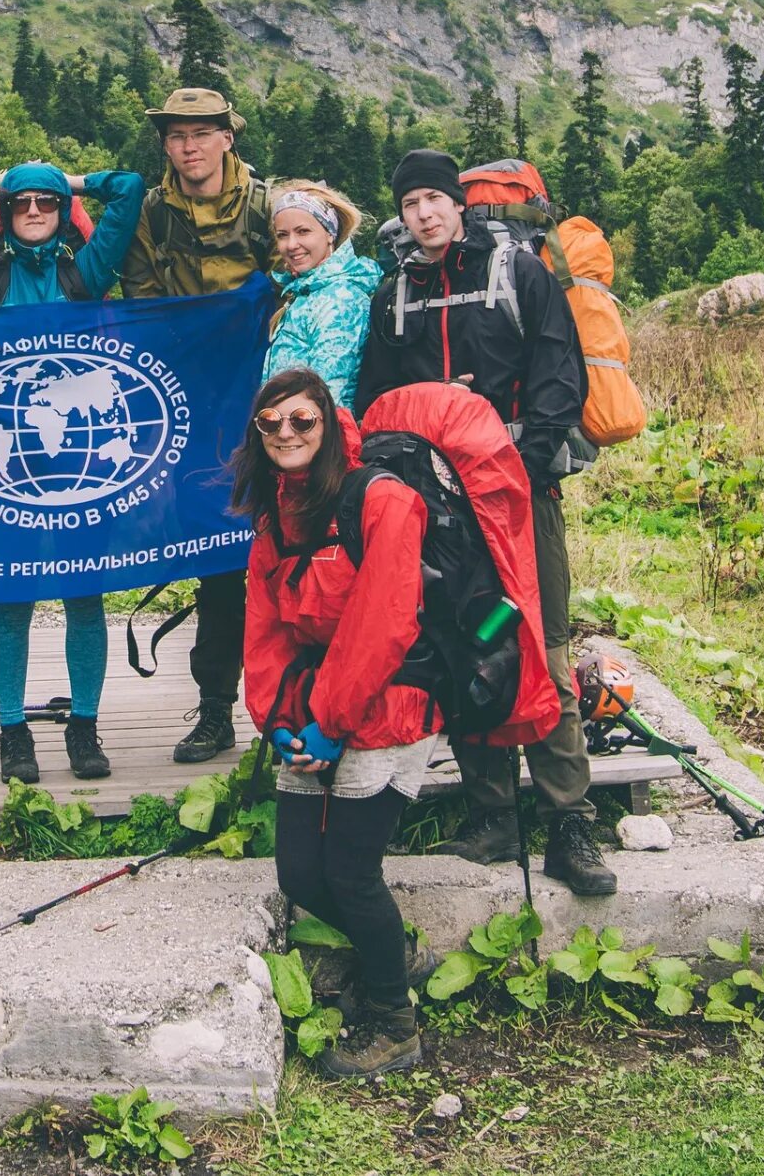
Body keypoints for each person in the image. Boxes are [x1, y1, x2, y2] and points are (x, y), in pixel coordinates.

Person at [356, 149, 614, 896]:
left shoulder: (519, 273)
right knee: (464, 642)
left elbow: (562, 377)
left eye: (435, 199)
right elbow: (378, 401)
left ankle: (570, 820)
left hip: (518, 491)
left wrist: (519, 470)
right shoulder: (394, 293)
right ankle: (494, 814)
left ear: (458, 205)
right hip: (438, 506)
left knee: (545, 641)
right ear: (401, 215)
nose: (425, 214)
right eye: (411, 205)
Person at [234, 368, 440, 1076]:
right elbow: (264, 634)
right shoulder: (276, 517)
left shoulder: (383, 502)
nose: (286, 434)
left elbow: (380, 626)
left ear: (327, 422)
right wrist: (280, 724)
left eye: (300, 420)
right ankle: (396, 956)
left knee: (350, 874)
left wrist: (331, 724)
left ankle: (395, 1024)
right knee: (300, 872)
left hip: (388, 704)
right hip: (315, 709)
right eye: (271, 424)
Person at [0, 160, 147, 784]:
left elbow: (127, 187)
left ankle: (84, 725)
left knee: (84, 592)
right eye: (22, 203)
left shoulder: (85, 271)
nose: (33, 211)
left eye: (44, 203)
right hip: (7, 466)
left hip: (81, 458)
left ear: (60, 210)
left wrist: (68, 183)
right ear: (6, 212)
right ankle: (12, 730)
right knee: (13, 597)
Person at [120, 86, 280, 764]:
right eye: (176, 135)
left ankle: (300, 705)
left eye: (200, 133)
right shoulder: (153, 214)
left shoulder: (269, 206)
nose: (187, 146)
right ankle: (216, 708)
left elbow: (299, 270)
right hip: (195, 404)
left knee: (294, 552)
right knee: (218, 561)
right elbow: (141, 297)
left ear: (226, 138)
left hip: (270, 399)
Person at [259, 181, 382, 413]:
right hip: (288, 432)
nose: (291, 245)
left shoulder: (340, 298)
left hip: (314, 439)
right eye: (282, 235)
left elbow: (326, 393)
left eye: (303, 231)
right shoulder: (304, 292)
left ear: (329, 234)